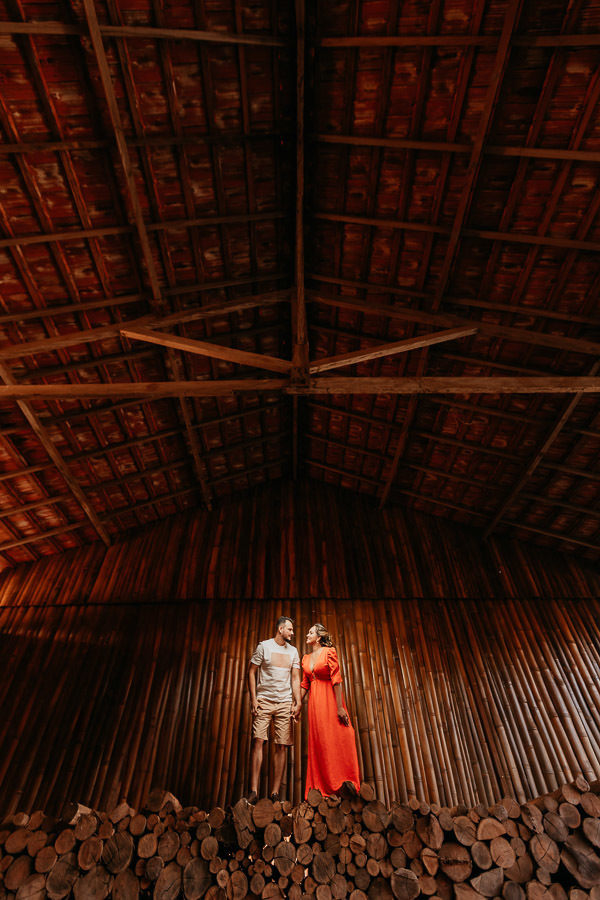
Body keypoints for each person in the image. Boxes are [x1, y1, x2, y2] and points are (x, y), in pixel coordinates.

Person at [298, 623, 361, 798]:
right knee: (321, 741)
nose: (307, 635)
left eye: (310, 632)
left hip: (330, 700)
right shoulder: (306, 658)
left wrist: (340, 706)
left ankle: (343, 781)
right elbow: (305, 684)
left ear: (319, 637)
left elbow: (336, 678)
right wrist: (297, 705)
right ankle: (322, 785)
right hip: (314, 705)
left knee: (338, 737)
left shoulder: (329, 652)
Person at [247, 615, 301, 803]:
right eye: (290, 630)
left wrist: (298, 702)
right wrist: (254, 699)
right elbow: (252, 672)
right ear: (280, 629)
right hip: (264, 700)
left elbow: (295, 678)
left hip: (285, 702)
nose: (292, 633)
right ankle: (253, 791)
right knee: (258, 741)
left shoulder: (293, 651)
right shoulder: (264, 646)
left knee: (282, 746)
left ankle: (275, 792)